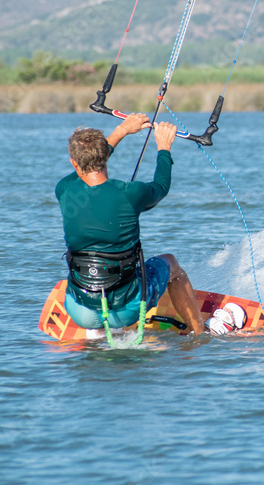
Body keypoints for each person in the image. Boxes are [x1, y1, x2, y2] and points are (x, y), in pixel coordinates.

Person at [55, 114, 210, 335]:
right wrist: (164, 147)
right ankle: (198, 334)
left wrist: (121, 131)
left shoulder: (64, 190)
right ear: (106, 157)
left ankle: (98, 334)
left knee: (90, 270)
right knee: (171, 263)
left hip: (81, 311)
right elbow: (161, 187)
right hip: (128, 309)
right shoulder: (130, 193)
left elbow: (90, 162)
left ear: (73, 162)